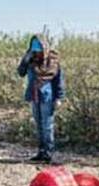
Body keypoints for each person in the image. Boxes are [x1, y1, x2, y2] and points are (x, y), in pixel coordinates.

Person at [17, 35, 65, 164]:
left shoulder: (53, 61)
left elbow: (58, 80)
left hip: (47, 96)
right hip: (34, 96)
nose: (36, 52)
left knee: (47, 125)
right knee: (39, 125)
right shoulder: (31, 60)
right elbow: (21, 73)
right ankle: (41, 152)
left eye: (38, 49)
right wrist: (25, 60)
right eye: (34, 49)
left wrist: (59, 97)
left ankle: (48, 153)